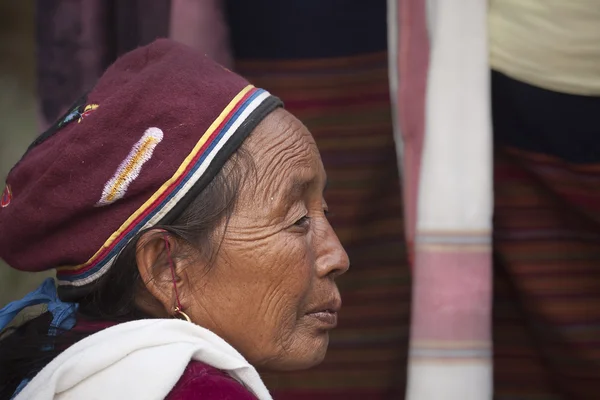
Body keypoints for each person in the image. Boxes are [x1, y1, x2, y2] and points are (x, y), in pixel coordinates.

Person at [0, 39, 349, 400]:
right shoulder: (200, 393)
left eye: (324, 212)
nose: (337, 258)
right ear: (168, 269)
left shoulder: (73, 372)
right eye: (297, 221)